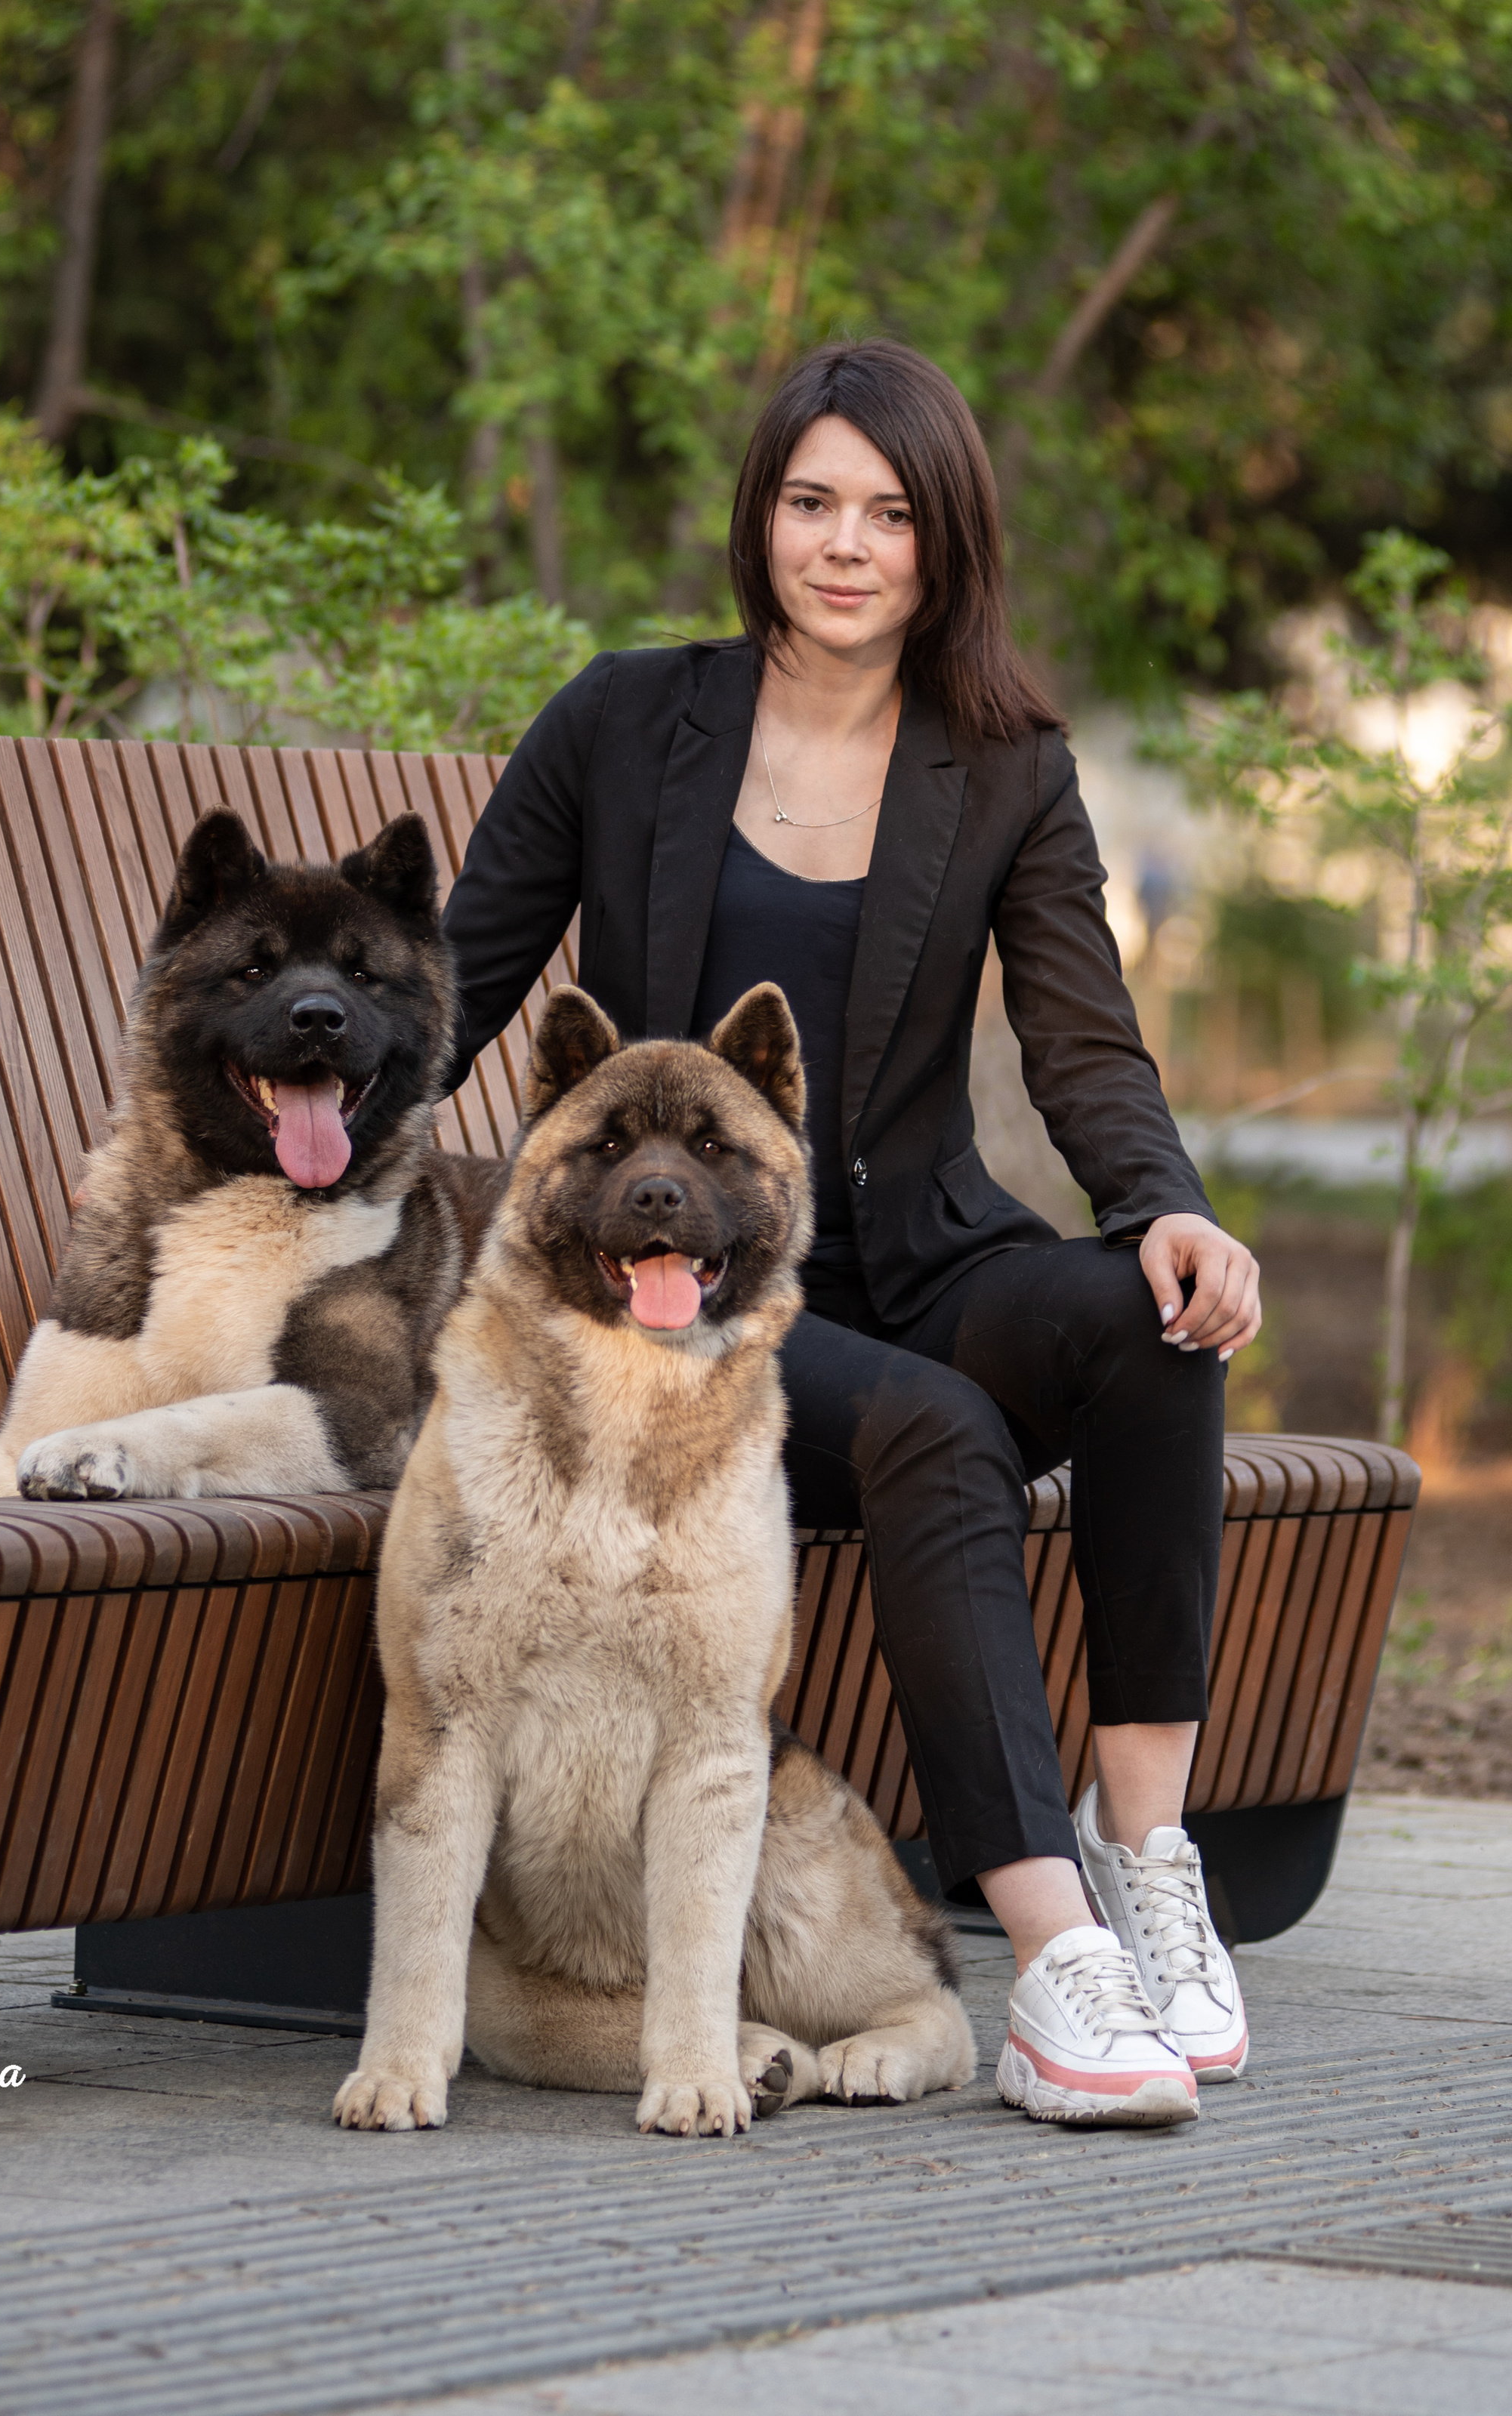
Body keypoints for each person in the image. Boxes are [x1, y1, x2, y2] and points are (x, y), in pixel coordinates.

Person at [437, 338, 1263, 2128]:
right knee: (926, 1426)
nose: (843, 543)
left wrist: (1168, 1208)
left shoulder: (1004, 767)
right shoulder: (621, 722)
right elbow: (453, 982)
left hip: (924, 1253)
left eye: (886, 513)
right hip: (676, 1295)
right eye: (810, 502)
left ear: (940, 540)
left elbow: (1081, 1042)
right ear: (760, 517)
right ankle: (1053, 1964)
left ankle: (1145, 1861)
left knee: (1151, 1329)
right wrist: (289, 1149)